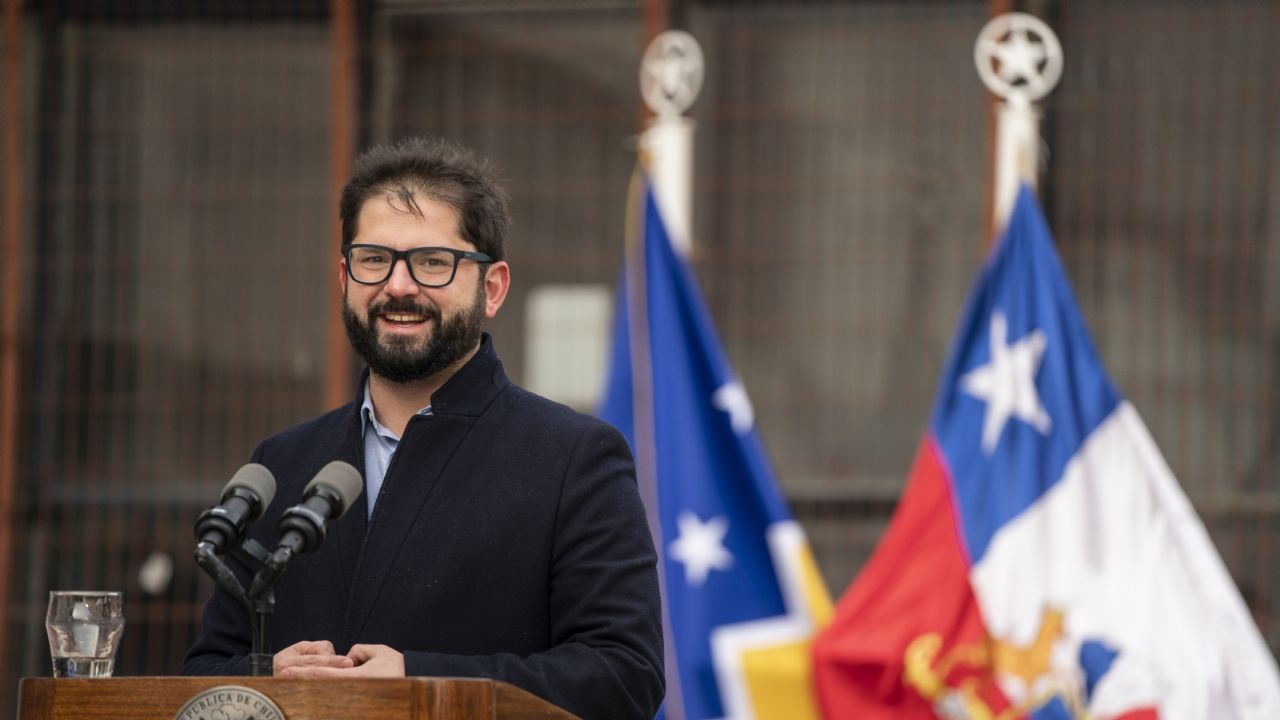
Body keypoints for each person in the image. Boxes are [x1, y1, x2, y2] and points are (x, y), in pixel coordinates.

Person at [183, 137, 665, 720]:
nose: (399, 286)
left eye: (433, 261)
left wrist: (418, 679)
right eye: (373, 259)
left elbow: (624, 675)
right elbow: (206, 674)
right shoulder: (281, 463)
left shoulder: (573, 459)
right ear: (344, 277)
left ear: (493, 288)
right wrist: (267, 676)